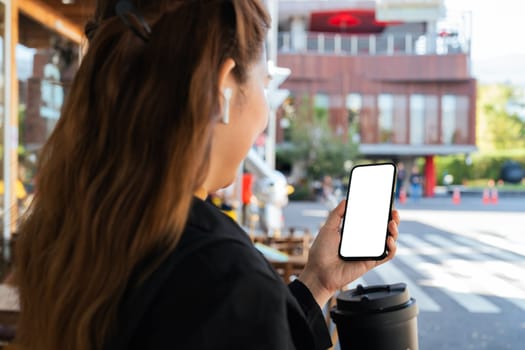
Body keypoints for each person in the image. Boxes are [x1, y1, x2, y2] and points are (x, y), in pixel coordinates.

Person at [13, 1, 400, 349]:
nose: (267, 114)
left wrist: (318, 281)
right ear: (223, 88)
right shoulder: (221, 273)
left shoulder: (77, 224)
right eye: (263, 82)